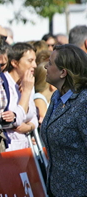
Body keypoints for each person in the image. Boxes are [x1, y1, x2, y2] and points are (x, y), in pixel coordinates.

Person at [41, 44, 87, 197]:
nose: (46, 67)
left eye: (51, 63)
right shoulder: (56, 97)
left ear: (63, 72)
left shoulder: (83, 102)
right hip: (56, 188)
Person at [3, 43, 38, 151]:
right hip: (8, 149)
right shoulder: (3, 83)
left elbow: (33, 116)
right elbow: (13, 119)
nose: (35, 65)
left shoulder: (27, 82)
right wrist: (26, 92)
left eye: (35, 61)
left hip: (25, 149)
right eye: (30, 61)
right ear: (14, 63)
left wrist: (29, 127)